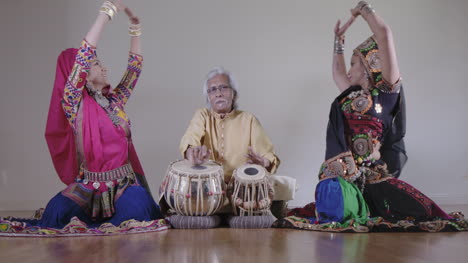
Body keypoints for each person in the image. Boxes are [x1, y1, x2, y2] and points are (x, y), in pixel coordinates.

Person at [275, 1, 466, 232]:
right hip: (344, 177)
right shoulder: (349, 95)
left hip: (373, 175)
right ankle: (351, 204)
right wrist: (338, 40)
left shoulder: (386, 95)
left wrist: (362, 10)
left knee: (419, 211)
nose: (348, 70)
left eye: (353, 64)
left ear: (367, 68)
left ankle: (365, 206)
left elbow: (384, 34)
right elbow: (337, 72)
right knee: (334, 205)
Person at [0, 1, 165, 236]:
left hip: (122, 185)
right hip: (88, 186)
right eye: (96, 64)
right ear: (82, 76)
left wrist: (135, 28)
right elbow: (85, 52)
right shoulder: (73, 103)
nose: (104, 68)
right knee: (56, 212)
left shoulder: (115, 101)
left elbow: (134, 69)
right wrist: (107, 12)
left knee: (139, 207)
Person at [161, 67, 296, 228]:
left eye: (223, 87)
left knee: (278, 183)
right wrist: (192, 152)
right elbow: (191, 138)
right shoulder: (202, 115)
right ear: (209, 97)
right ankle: (228, 215)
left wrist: (263, 163)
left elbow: (268, 155)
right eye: (212, 90)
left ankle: (230, 214)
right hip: (208, 189)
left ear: (234, 93)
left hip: (241, 189)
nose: (218, 93)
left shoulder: (248, 120)